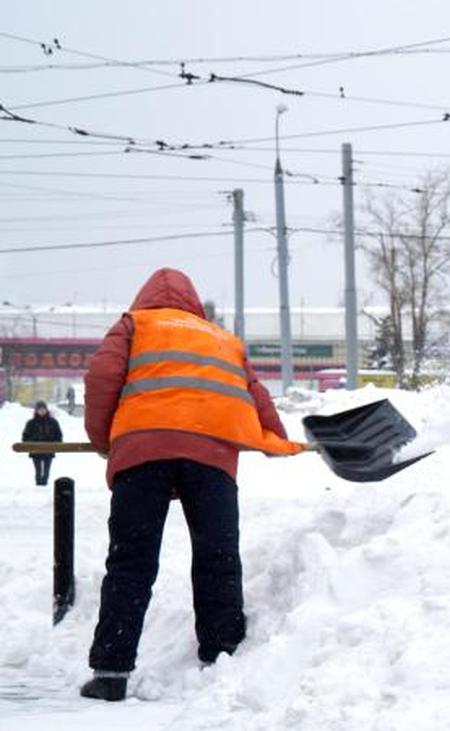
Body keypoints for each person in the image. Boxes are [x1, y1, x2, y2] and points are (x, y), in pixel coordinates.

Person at [79, 268, 303, 702]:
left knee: (130, 562)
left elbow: (102, 378)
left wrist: (106, 440)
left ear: (145, 298)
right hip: (212, 457)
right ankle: (222, 655)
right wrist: (276, 439)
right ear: (194, 303)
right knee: (217, 555)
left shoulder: (134, 324)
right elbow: (256, 395)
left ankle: (110, 671)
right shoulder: (222, 338)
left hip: (143, 453)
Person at [21, 401, 62, 486]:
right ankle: (38, 485)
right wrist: (31, 443)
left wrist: (56, 444)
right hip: (35, 450)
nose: (42, 411)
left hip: (49, 449)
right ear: (36, 411)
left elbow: (58, 434)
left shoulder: (53, 422)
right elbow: (25, 436)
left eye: (43, 409)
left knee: (47, 470)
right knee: (38, 470)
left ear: (46, 410)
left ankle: (44, 484)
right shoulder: (31, 423)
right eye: (39, 409)